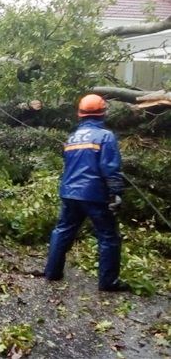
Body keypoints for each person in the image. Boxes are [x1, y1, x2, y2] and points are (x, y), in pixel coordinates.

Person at [44, 94, 128, 292]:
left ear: (80, 114)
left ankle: (52, 272)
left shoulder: (72, 138)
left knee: (63, 231)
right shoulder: (105, 136)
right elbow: (109, 167)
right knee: (108, 236)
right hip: (94, 194)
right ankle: (108, 282)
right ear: (102, 113)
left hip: (69, 192)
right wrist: (116, 192)